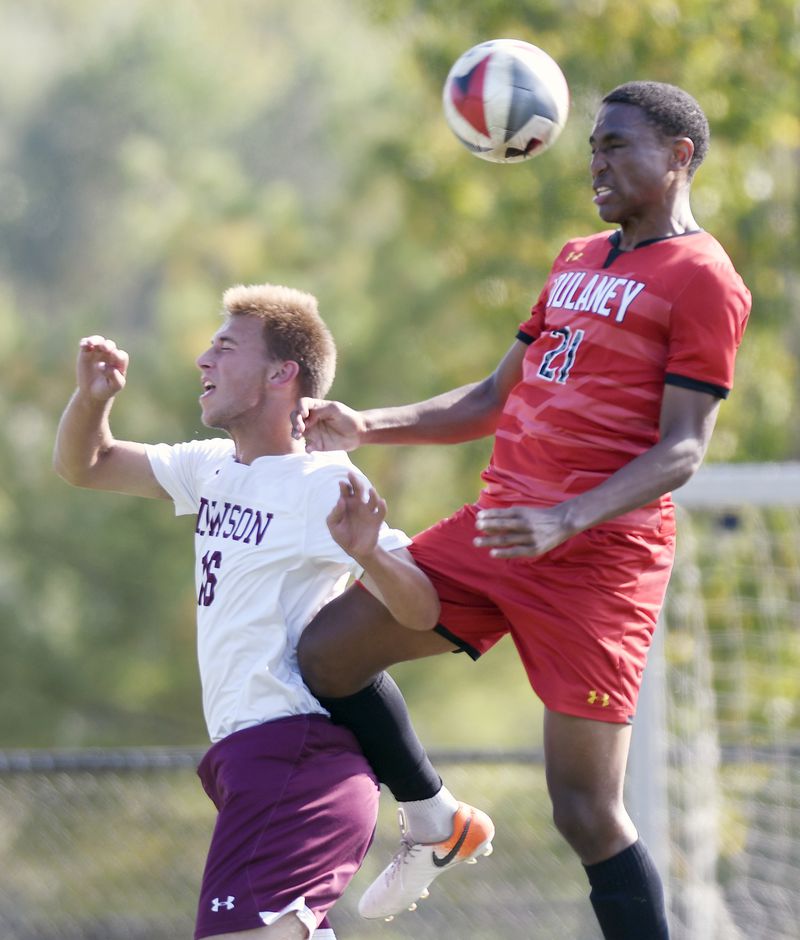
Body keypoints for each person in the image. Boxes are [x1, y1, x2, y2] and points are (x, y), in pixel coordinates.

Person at [291, 81, 752, 939]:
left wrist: (567, 517)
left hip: (598, 566)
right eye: (593, 148)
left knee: (584, 812)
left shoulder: (704, 278)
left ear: (680, 156)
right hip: (499, 530)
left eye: (617, 145)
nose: (596, 163)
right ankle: (434, 822)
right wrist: (367, 425)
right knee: (324, 656)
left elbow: (684, 449)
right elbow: (493, 398)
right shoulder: (576, 258)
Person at [52, 283, 455, 940]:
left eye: (224, 347)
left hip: (295, 760)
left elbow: (421, 608)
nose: (203, 361)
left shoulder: (324, 480)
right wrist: (92, 400)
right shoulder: (212, 466)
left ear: (280, 374)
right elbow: (86, 464)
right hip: (251, 764)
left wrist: (371, 558)